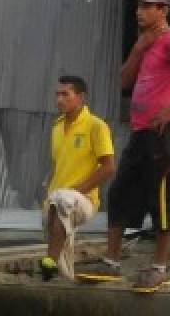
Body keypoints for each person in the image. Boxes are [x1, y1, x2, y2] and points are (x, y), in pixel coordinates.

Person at [77, 0, 170, 293]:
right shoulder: (147, 42)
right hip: (140, 131)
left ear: (162, 10)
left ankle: (159, 267)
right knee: (120, 191)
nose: (139, 12)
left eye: (146, 6)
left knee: (161, 199)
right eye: (139, 6)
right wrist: (138, 48)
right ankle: (111, 261)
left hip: (162, 133)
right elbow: (124, 80)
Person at [40, 76, 115, 281]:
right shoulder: (56, 127)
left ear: (81, 97)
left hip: (83, 199)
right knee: (62, 262)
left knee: (63, 200)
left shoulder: (96, 126)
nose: (59, 99)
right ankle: (60, 281)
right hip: (57, 201)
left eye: (65, 94)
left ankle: (49, 260)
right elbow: (57, 167)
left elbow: (108, 168)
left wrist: (77, 190)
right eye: (57, 94)